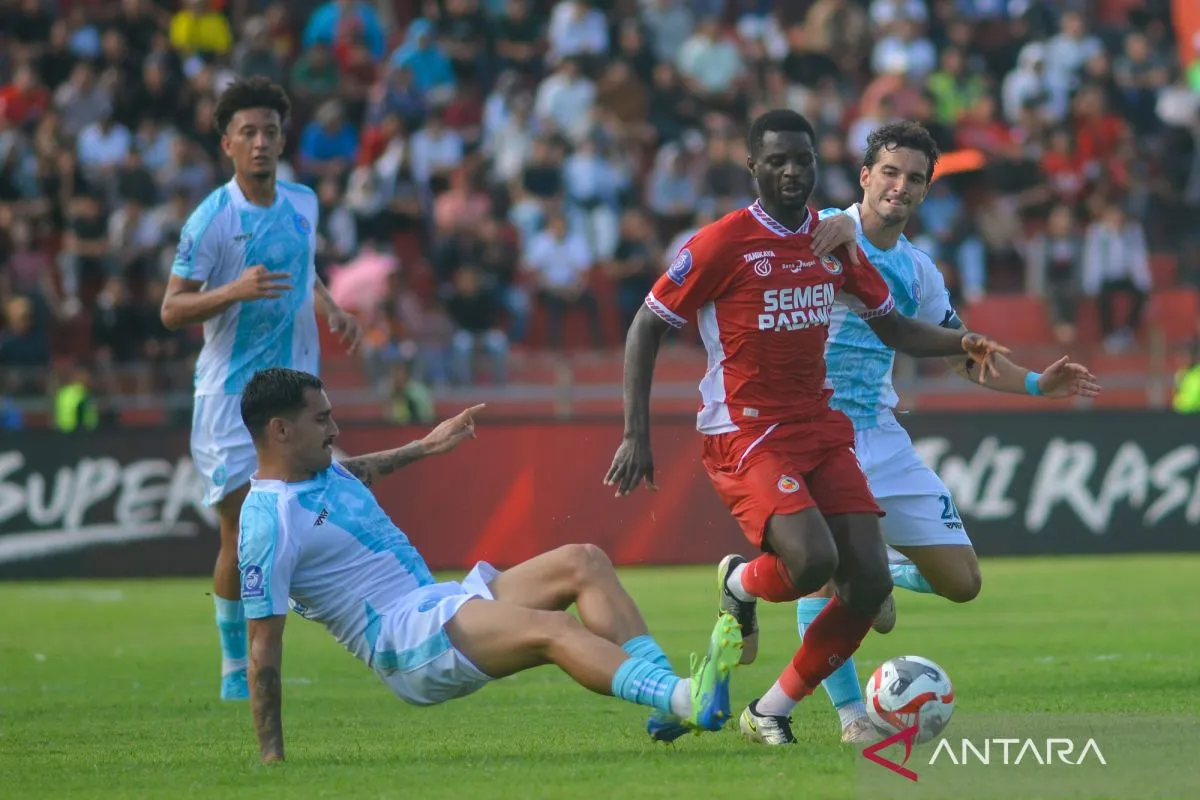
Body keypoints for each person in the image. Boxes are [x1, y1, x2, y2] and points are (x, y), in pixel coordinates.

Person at [605, 109, 1011, 747]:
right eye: (777, 161)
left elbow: (892, 326)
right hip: (747, 431)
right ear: (753, 167)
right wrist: (636, 434)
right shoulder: (720, 243)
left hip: (821, 426)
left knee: (869, 582)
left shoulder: (833, 241)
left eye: (803, 160)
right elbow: (647, 324)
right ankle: (741, 582)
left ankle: (768, 709)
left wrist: (961, 341)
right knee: (816, 560)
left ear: (818, 164)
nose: (792, 171)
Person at [236, 367, 743, 763]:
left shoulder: (321, 472)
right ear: (280, 430)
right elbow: (262, 647)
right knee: (553, 628)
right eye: (321, 419)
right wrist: (272, 755)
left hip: (437, 602)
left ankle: (667, 706)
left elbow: (359, 471)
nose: (334, 428)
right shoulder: (267, 523)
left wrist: (426, 445)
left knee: (584, 561)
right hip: (403, 640)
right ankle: (685, 698)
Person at [784, 121, 1101, 743]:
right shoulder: (818, 232)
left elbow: (963, 355)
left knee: (963, 583)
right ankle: (851, 718)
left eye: (914, 179)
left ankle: (879, 576)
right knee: (826, 574)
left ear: (926, 191)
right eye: (890, 172)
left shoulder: (918, 272)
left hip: (880, 434)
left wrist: (1036, 384)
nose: (900, 187)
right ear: (865, 176)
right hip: (814, 434)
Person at [160, 77, 364, 702]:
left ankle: (305, 643)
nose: (260, 142)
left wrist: (331, 306)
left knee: (307, 517)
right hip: (229, 400)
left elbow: (304, 270)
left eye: (269, 131)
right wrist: (233, 291)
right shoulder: (212, 219)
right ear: (227, 144)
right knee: (242, 530)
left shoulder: (303, 202)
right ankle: (236, 668)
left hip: (295, 394)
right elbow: (172, 308)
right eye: (247, 132)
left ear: (282, 139)